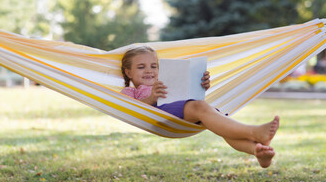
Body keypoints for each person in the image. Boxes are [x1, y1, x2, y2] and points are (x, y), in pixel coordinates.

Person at [120, 46, 280, 168]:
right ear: (128, 73)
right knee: (202, 108)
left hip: (188, 111)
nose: (149, 71)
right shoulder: (129, 91)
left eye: (154, 66)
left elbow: (184, 92)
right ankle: (254, 132)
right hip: (163, 116)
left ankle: (258, 151)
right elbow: (129, 109)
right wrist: (151, 97)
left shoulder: (166, 81)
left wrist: (200, 84)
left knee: (220, 124)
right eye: (141, 67)